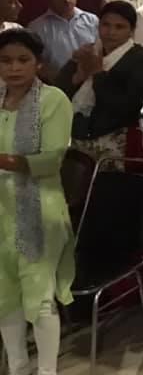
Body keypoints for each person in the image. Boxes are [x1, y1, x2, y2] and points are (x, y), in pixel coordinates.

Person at [0, 30, 75, 375]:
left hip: (39, 208)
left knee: (40, 297)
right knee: (5, 296)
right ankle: (17, 367)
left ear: (38, 64)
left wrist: (5, 161)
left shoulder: (52, 99)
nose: (13, 68)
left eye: (22, 60)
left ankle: (47, 371)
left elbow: (51, 160)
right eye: (5, 61)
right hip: (1, 209)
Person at [56, 1, 143, 164]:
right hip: (79, 131)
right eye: (105, 25)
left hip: (116, 136)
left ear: (131, 30)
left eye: (119, 27)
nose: (110, 32)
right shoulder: (89, 51)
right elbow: (58, 91)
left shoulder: (141, 60)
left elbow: (127, 106)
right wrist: (77, 71)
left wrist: (97, 73)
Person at [28, 0, 99, 76]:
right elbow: (35, 62)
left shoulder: (92, 20)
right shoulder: (36, 27)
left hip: (93, 79)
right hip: (56, 81)